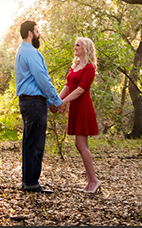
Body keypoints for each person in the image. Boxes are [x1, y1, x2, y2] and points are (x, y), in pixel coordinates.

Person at [14, 20, 62, 193]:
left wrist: (49, 102)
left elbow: (34, 81)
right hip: (34, 102)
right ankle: (32, 183)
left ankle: (28, 181)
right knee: (35, 143)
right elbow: (41, 79)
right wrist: (56, 101)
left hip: (27, 101)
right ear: (30, 33)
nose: (39, 33)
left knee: (29, 142)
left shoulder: (21, 51)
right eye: (37, 30)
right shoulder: (31, 53)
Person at [59, 36, 100, 193]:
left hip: (83, 108)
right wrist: (57, 100)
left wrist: (63, 103)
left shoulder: (89, 68)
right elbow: (68, 86)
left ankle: (94, 180)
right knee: (83, 146)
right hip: (75, 107)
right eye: (75, 45)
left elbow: (80, 90)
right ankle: (91, 181)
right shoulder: (74, 66)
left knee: (80, 145)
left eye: (78, 45)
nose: (74, 47)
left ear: (85, 49)